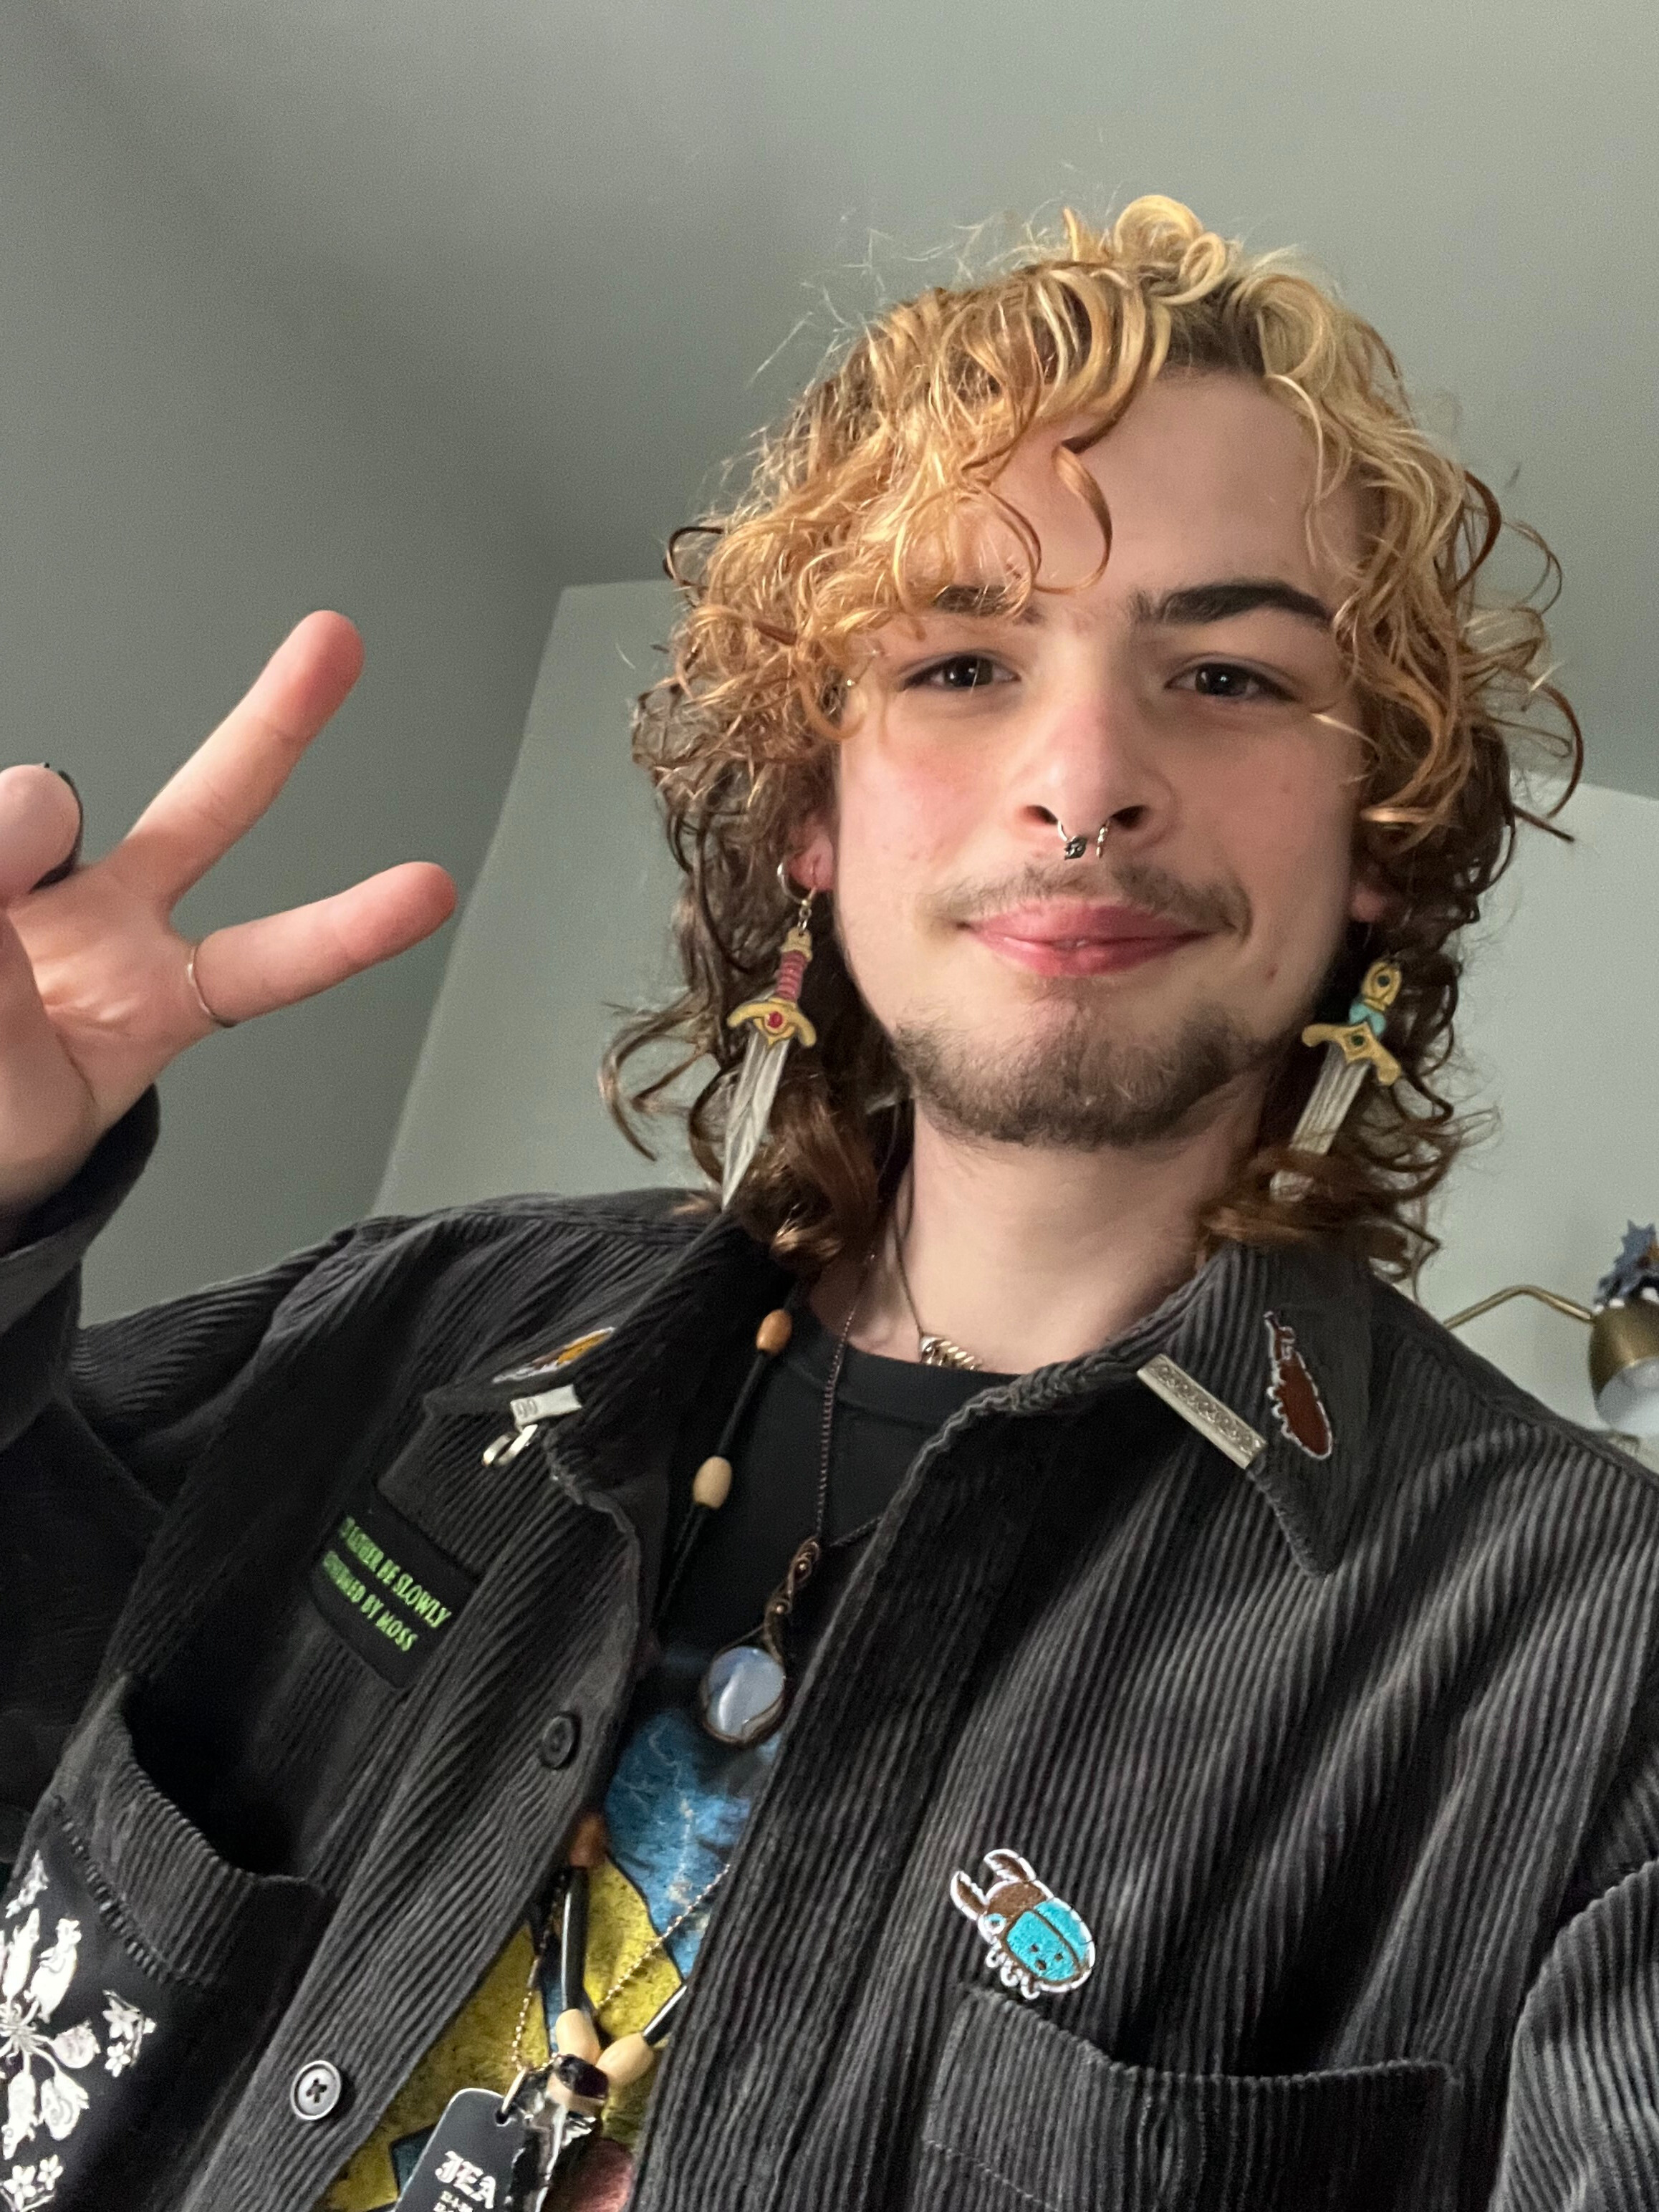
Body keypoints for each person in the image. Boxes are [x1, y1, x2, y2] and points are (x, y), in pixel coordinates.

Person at [0, 193, 1643, 2212]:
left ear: (1376, 829)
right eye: (958, 661)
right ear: (812, 816)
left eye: (1226, 677)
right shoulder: (413, 1332)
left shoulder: (1591, 1660)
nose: (1082, 783)